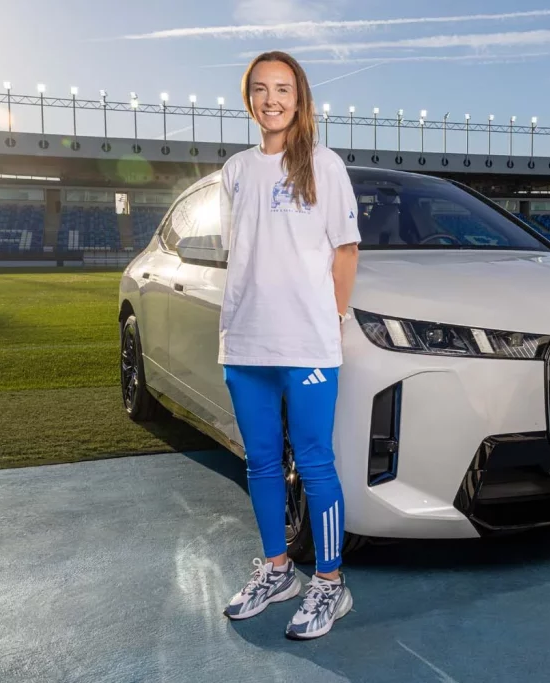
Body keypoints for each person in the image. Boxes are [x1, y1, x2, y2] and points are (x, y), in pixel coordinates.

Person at [216, 51, 361, 641]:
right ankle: (278, 571)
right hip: (245, 340)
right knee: (260, 461)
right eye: (260, 88)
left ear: (299, 98)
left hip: (306, 343)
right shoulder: (235, 170)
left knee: (316, 461)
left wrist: (335, 318)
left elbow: (345, 251)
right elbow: (240, 254)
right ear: (247, 97)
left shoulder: (324, 165)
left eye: (282, 89)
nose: (270, 99)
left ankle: (330, 582)